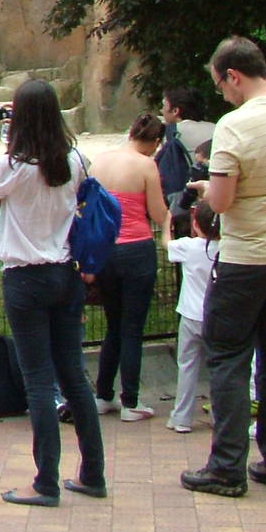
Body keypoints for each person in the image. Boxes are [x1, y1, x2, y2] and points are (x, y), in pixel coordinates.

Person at [181, 36, 266, 497]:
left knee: (228, 358)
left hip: (246, 258)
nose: (222, 94)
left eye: (221, 85)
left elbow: (222, 201)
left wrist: (205, 192)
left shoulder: (235, 126)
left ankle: (226, 467)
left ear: (234, 76)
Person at [0, 79, 106, 507]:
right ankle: (92, 473)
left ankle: (46, 480)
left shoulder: (11, 166)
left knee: (38, 382)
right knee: (74, 377)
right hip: (65, 273)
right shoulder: (74, 158)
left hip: (26, 278)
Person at [87, 113, 170, 421]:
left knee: (113, 324)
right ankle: (131, 400)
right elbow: (158, 212)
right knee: (133, 328)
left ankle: (103, 394)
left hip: (106, 250)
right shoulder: (147, 165)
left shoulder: (100, 162)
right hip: (137, 249)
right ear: (155, 141)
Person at [166, 197, 220, 433]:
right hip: (216, 316)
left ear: (195, 223)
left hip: (190, 315)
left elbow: (166, 245)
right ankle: (220, 415)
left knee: (187, 365)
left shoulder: (188, 246)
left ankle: (181, 417)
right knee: (219, 367)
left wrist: (167, 221)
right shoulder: (226, 247)